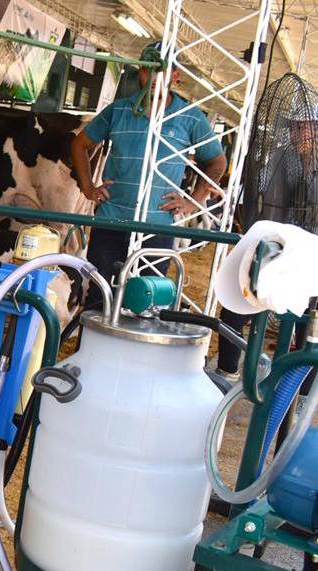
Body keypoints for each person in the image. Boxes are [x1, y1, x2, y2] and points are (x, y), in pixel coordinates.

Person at [71, 41, 228, 311]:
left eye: (163, 71)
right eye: (148, 69)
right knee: (99, 300)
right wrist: (88, 187)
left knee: (146, 305)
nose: (155, 77)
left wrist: (193, 201)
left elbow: (217, 161)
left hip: (157, 228)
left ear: (175, 76)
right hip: (111, 220)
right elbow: (79, 144)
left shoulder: (190, 117)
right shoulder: (118, 110)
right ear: (140, 72)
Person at [217, 105, 318, 382]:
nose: (297, 134)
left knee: (309, 328)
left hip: (311, 258)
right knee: (236, 308)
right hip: (277, 249)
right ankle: (227, 371)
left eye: (303, 127)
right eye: (294, 128)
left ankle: (300, 391)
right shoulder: (280, 159)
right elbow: (265, 199)